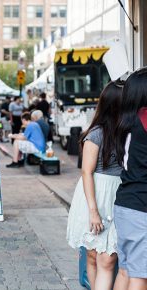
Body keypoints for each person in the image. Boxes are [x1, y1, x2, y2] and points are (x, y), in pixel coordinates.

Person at [66, 81, 123, 290]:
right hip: (96, 196)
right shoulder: (96, 134)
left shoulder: (127, 131)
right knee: (92, 254)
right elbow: (87, 172)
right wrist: (93, 211)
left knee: (107, 257)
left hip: (118, 195)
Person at [113, 68, 147, 290]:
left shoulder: (125, 121)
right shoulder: (144, 117)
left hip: (125, 205)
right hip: (141, 207)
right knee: (140, 276)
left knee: (125, 271)